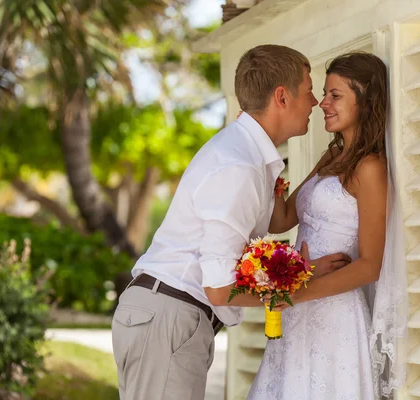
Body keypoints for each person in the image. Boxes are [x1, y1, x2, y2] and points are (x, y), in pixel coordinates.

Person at [111, 44, 351, 400]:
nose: (315, 102)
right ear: (281, 97)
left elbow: (280, 217)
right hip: (170, 317)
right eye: (309, 90)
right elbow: (220, 289)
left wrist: (332, 160)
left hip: (167, 316)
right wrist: (300, 284)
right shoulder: (239, 167)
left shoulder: (246, 152)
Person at [248, 52, 408, 400]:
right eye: (323, 93)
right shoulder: (332, 156)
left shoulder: (370, 168)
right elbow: (282, 220)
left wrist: (295, 294)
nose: (322, 103)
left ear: (365, 101)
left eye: (335, 95)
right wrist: (268, 166)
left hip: (334, 315)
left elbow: (370, 264)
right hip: (296, 309)